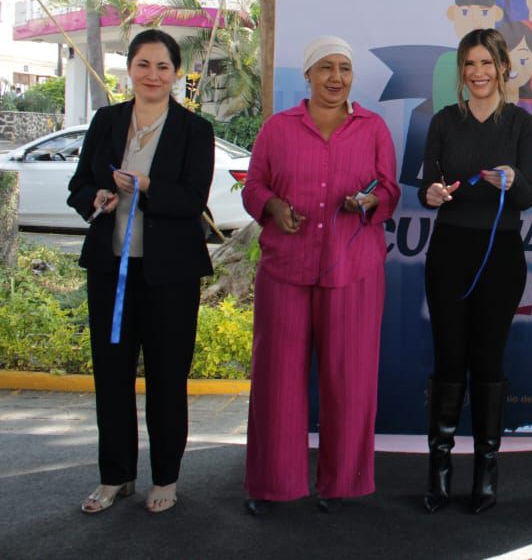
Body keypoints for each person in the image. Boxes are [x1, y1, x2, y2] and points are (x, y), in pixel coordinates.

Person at [241, 36, 401, 515]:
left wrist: (369, 201)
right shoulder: (278, 128)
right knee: (277, 381)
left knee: (349, 380)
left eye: (344, 68)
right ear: (308, 75)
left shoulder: (373, 128)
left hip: (354, 271)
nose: (336, 77)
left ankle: (342, 484)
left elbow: (390, 191)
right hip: (285, 269)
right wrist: (273, 206)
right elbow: (253, 187)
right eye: (326, 68)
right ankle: (273, 484)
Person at [68, 29, 216, 515]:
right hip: (110, 269)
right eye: (143, 65)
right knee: (111, 378)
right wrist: (96, 197)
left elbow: (193, 199)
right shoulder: (107, 120)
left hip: (170, 275)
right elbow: (78, 185)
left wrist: (149, 186)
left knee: (167, 379)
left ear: (176, 74)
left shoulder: (194, 130)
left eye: (163, 67)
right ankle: (115, 476)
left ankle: (165, 477)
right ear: (129, 68)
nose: (153, 75)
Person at [419, 28, 532, 514]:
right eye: (469, 64)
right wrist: (432, 193)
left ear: (503, 67)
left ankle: (486, 471)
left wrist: (513, 180)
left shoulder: (521, 124)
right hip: (449, 250)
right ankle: (439, 470)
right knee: (449, 359)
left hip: (501, 253)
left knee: (488, 362)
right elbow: (427, 185)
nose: (478, 72)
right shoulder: (444, 121)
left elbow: (529, 194)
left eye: (487, 63)